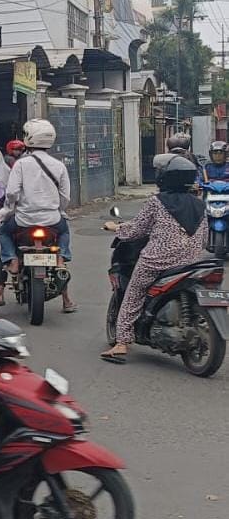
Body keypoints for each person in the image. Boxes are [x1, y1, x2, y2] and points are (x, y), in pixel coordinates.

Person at [101, 155, 206, 364]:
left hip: (157, 261)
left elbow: (136, 230)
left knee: (133, 293)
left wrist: (116, 227)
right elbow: (204, 237)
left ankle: (121, 343)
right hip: (191, 261)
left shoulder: (156, 202)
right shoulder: (199, 205)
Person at [0, 120, 77, 313]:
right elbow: (65, 196)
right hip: (52, 221)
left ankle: (10, 265)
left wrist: (8, 209)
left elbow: (11, 193)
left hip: (23, 221)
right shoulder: (58, 165)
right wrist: (58, 210)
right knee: (64, 232)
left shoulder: (21, 165)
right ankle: (62, 267)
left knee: (3, 234)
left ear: (28, 139)